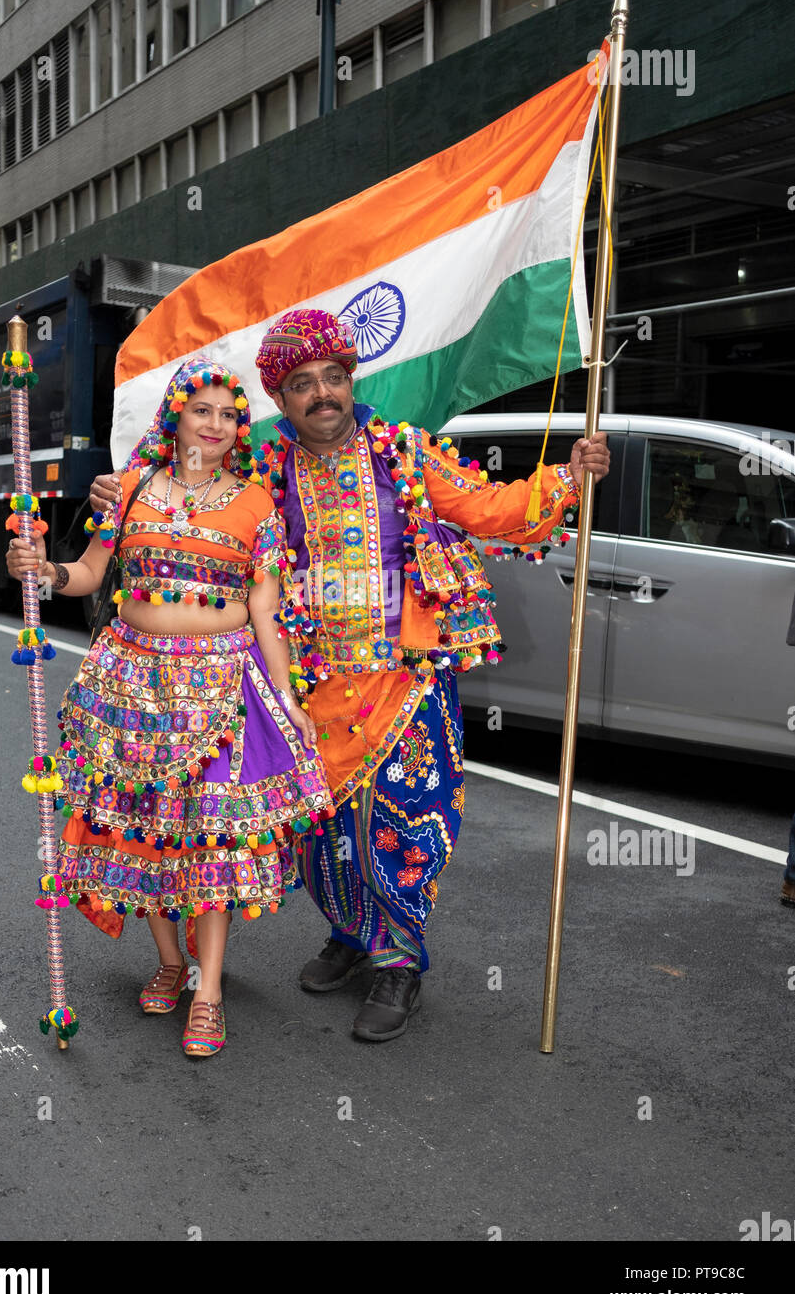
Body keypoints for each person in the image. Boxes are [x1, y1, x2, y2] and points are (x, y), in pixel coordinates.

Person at [93, 309, 611, 1043]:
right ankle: (350, 932)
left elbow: (486, 507)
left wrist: (566, 475)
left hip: (404, 679)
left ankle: (397, 962)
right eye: (301, 384)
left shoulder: (402, 452)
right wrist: (117, 492)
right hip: (305, 687)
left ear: (350, 378)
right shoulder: (265, 471)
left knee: (394, 825)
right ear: (280, 399)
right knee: (312, 832)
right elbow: (193, 496)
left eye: (332, 377)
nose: (322, 394)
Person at [8, 357, 331, 1058]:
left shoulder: (255, 504)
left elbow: (267, 614)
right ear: (176, 416)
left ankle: (208, 992)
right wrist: (44, 568)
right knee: (146, 834)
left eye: (227, 414)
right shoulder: (126, 492)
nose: (214, 425)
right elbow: (91, 574)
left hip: (221, 694)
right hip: (131, 683)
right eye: (201, 411)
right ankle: (171, 962)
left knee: (210, 843)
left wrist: (286, 699)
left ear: (238, 427)